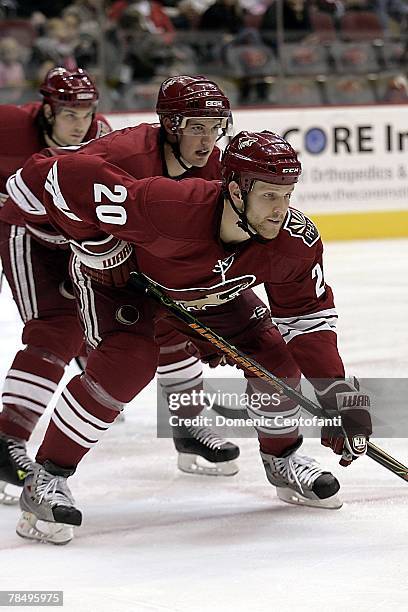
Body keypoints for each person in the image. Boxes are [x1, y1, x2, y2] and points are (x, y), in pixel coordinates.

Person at [12, 130, 372, 543]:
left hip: (207, 295)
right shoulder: (166, 206)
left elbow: (308, 321)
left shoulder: (294, 241)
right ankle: (47, 477)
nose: (281, 211)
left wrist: (338, 396)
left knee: (273, 352)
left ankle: (283, 458)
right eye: (270, 196)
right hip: (125, 287)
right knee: (125, 367)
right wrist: (94, 245)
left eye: (288, 195)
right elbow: (61, 174)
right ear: (235, 190)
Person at [5, 75, 242, 479]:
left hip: (88, 240)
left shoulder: (206, 163)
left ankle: (188, 425)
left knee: (170, 319)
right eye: (197, 127)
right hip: (33, 234)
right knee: (57, 329)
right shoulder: (118, 151)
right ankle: (7, 439)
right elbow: (24, 191)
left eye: (213, 127)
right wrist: (86, 244)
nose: (208, 139)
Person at [0, 67, 111, 504]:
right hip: (21, 234)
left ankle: (90, 369)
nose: (79, 123)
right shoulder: (11, 126)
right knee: (54, 328)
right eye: (69, 113)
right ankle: (7, 436)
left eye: (86, 113)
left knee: (90, 316)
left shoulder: (102, 134)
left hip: (68, 239)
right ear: (47, 110)